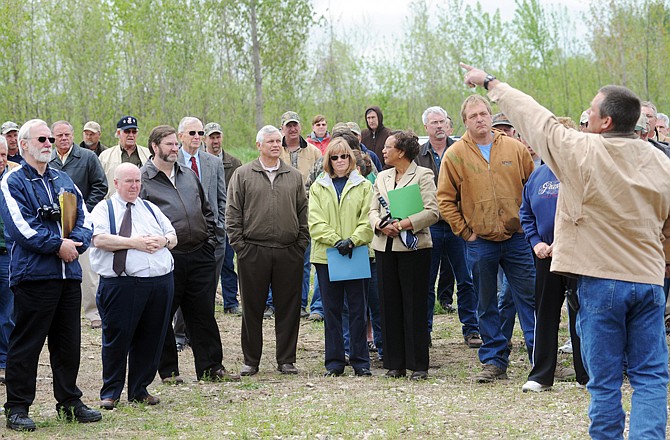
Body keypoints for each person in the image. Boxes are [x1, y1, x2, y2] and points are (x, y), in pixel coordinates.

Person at [460, 62, 670, 439]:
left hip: (601, 282)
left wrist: (490, 82)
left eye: (591, 109)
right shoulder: (660, 161)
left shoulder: (583, 151)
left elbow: (535, 118)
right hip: (649, 283)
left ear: (604, 122)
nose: (585, 114)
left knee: (604, 381)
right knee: (651, 376)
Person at [0, 119, 101, 431]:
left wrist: (75, 244)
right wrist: (58, 245)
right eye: (41, 138)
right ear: (25, 145)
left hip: (68, 276)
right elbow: (21, 227)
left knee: (68, 343)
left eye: (49, 138)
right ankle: (17, 407)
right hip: (34, 276)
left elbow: (85, 218)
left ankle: (69, 402)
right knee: (26, 344)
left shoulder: (63, 180)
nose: (48, 143)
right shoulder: (13, 182)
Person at [437, 93, 536, 383]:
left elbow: (532, 190)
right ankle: (494, 361)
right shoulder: (455, 155)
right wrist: (465, 232)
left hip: (517, 239)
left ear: (491, 115)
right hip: (480, 242)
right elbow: (444, 200)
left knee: (530, 300)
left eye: (483, 113)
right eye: (473, 116)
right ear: (465, 121)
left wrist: (529, 229)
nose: (479, 119)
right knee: (486, 301)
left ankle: (542, 361)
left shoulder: (515, 149)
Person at [140, 125, 236, 383]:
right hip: (167, 257)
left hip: (200, 253)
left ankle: (211, 367)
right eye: (170, 144)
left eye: (175, 144)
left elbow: (206, 208)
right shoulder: (144, 179)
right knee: (162, 314)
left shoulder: (187, 174)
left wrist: (211, 239)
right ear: (154, 146)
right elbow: (138, 218)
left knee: (202, 312)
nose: (175, 149)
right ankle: (169, 371)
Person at [89, 163, 177, 409]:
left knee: (151, 336)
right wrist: (133, 243)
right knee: (117, 338)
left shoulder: (150, 208)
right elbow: (98, 239)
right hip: (123, 284)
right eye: (129, 181)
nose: (134, 186)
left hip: (159, 282)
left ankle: (139, 388)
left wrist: (164, 240)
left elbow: (173, 236)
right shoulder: (103, 209)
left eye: (138, 181)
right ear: (116, 183)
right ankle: (111, 392)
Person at [226, 125, 309, 376]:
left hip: (288, 251)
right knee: (252, 308)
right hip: (254, 251)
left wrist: (299, 244)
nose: (275, 145)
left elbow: (303, 212)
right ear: (258, 145)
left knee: (289, 307)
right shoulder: (242, 174)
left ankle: (286, 359)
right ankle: (251, 360)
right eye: (270, 141)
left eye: (278, 141)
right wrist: (241, 247)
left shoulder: (293, 176)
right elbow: (232, 214)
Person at [369, 130, 439, 380]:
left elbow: (432, 212)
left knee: (414, 305)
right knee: (388, 304)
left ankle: (418, 364)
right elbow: (372, 210)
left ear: (401, 151)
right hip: (385, 247)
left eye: (388, 147)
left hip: (414, 249)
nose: (384, 151)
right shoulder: (382, 177)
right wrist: (379, 224)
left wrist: (403, 224)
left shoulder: (423, 175)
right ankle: (394, 363)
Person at [415, 106, 480, 349]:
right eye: (434, 123)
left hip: (458, 226)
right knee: (426, 281)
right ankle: (425, 330)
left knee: (466, 280)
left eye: (442, 121)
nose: (439, 126)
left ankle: (471, 329)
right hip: (430, 226)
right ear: (426, 127)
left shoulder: (461, 150)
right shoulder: (418, 155)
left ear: (449, 125)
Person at [309, 138, 374, 377]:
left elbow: (369, 219)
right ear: (328, 160)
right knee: (332, 311)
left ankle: (360, 361)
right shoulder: (318, 186)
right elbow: (315, 222)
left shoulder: (364, 186)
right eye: (334, 157)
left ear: (351, 158)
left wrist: (352, 240)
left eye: (344, 156)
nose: (339, 161)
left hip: (356, 253)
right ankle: (335, 362)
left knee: (358, 310)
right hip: (327, 256)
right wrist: (336, 240)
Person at [519, 161, 586, 392]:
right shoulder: (537, 176)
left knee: (581, 314)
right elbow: (526, 213)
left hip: (577, 255)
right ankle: (541, 375)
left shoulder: (580, 172)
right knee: (545, 312)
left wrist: (564, 242)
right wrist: (536, 242)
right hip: (544, 256)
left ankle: (585, 375)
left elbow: (587, 212)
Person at [49, 120, 108, 329]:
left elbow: (101, 186)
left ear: (73, 135)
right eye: (59, 136)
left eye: (67, 134)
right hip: (54, 223)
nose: (63, 139)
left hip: (81, 222)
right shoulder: (48, 159)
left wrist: (84, 211)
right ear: (52, 138)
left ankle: (94, 313)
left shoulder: (87, 157)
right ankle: (56, 312)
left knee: (88, 270)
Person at [203, 122, 242, 314]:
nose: (215, 141)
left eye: (218, 136)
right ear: (205, 139)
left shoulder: (234, 164)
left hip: (226, 219)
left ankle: (230, 302)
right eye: (211, 137)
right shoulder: (197, 160)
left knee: (227, 262)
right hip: (202, 220)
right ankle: (205, 300)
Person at [0, 136, 18, 384]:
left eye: (4, 155)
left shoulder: (13, 180)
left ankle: (4, 362)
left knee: (8, 311)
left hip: (7, 254)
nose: (2, 161)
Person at [99, 116, 151, 198]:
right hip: (114, 203)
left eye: (134, 132)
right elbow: (99, 184)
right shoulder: (105, 156)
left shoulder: (148, 154)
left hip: (141, 202)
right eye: (127, 131)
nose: (131, 135)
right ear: (119, 133)